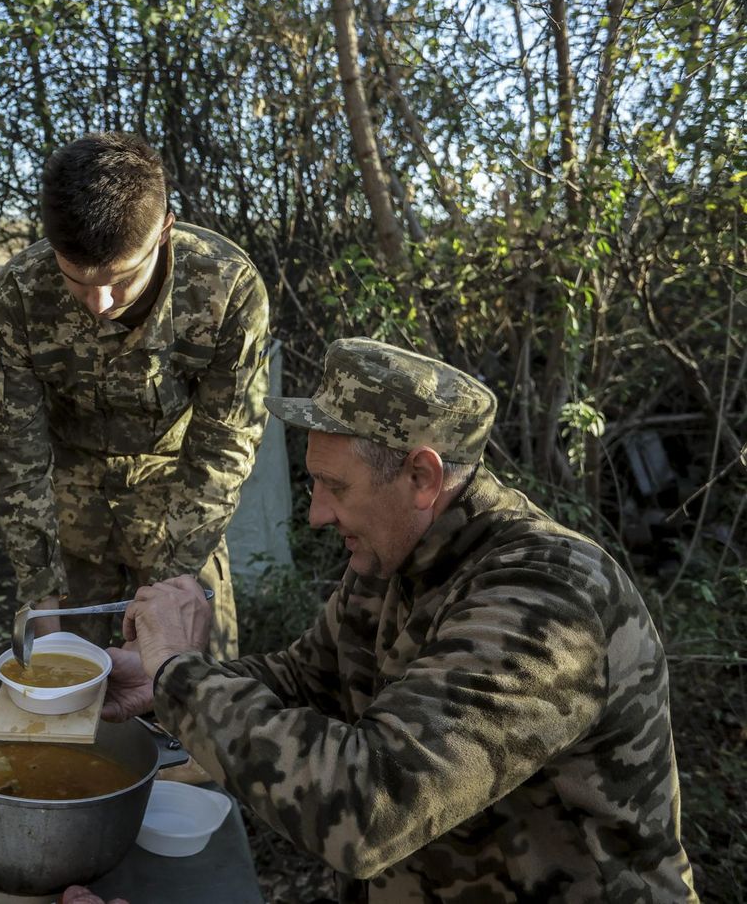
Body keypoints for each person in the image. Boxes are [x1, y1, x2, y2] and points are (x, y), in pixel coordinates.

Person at [104, 338, 699, 902]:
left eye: (335, 487)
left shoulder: (545, 599)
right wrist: (155, 685)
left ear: (422, 478)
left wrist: (182, 676)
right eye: (314, 482)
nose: (316, 514)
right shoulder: (391, 558)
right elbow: (306, 681)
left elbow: (371, 808)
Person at [0, 132, 269, 658]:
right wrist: (40, 587)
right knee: (62, 695)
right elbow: (11, 452)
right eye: (77, 281)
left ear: (164, 232)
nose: (99, 302)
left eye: (118, 280)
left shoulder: (226, 288)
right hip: (65, 526)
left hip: (181, 508)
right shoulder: (17, 295)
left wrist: (173, 586)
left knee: (196, 699)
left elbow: (224, 447)